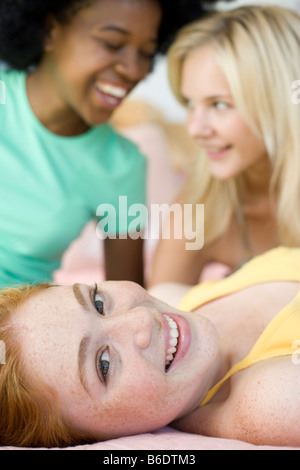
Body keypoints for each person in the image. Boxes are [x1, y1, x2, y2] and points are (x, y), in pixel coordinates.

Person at [0, 0, 219, 289]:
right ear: (50, 30)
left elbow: (127, 300)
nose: (134, 70)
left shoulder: (121, 167)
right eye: (112, 44)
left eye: (146, 54)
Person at [1, 246, 300, 448]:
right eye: (103, 364)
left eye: (98, 302)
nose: (141, 318)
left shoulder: (174, 296)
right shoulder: (270, 400)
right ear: (96, 438)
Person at [149, 5, 300, 287]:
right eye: (190, 103)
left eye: (219, 104)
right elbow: (156, 312)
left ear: (280, 103)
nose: (195, 129)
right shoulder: (199, 206)